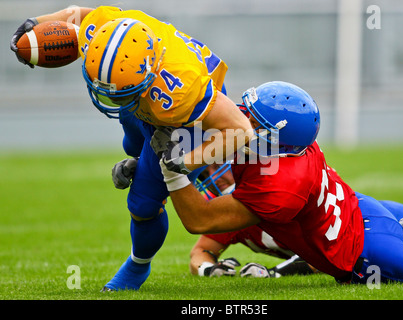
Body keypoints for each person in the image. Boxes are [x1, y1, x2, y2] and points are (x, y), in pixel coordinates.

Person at [10, 5, 253, 291]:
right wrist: (33, 24)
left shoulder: (179, 90)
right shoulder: (100, 30)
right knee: (130, 132)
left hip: (186, 121)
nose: (107, 97)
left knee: (143, 203)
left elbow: (239, 130)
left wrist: (184, 162)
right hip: (144, 97)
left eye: (119, 91)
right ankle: (142, 159)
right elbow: (76, 14)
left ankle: (138, 264)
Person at [152, 80, 403, 283]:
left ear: (277, 139)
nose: (242, 121)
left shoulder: (278, 186)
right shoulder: (292, 145)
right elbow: (224, 134)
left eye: (254, 122)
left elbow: (199, 221)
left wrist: (170, 171)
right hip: (364, 211)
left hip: (366, 253)